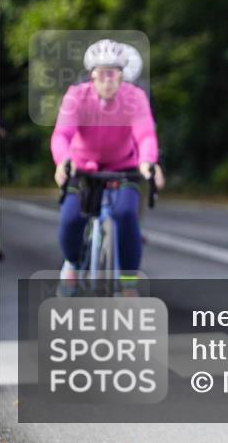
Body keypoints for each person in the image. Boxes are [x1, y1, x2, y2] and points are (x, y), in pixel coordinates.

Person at [51, 39, 165, 295]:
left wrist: (148, 162)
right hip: (83, 168)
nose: (107, 80)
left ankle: (128, 284)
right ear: (93, 75)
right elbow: (62, 135)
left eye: (113, 74)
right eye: (102, 74)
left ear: (121, 75)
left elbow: (145, 134)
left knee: (126, 215)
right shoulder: (76, 96)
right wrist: (63, 161)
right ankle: (72, 262)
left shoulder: (134, 97)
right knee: (70, 220)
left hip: (123, 166)